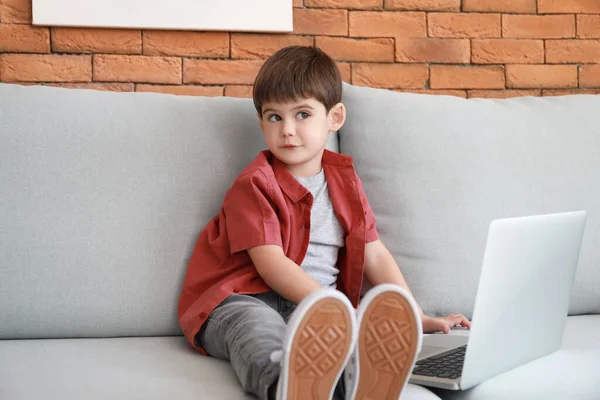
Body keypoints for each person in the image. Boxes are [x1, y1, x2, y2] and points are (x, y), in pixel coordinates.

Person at [178, 45, 471, 400]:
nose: (287, 130)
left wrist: (415, 315)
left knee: (354, 332)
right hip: (243, 298)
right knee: (258, 330)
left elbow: (374, 253)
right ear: (261, 123)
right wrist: (334, 307)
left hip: (318, 309)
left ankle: (354, 380)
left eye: (302, 114)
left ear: (334, 118)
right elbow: (271, 264)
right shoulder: (254, 185)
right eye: (274, 117)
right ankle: (284, 384)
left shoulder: (345, 182)